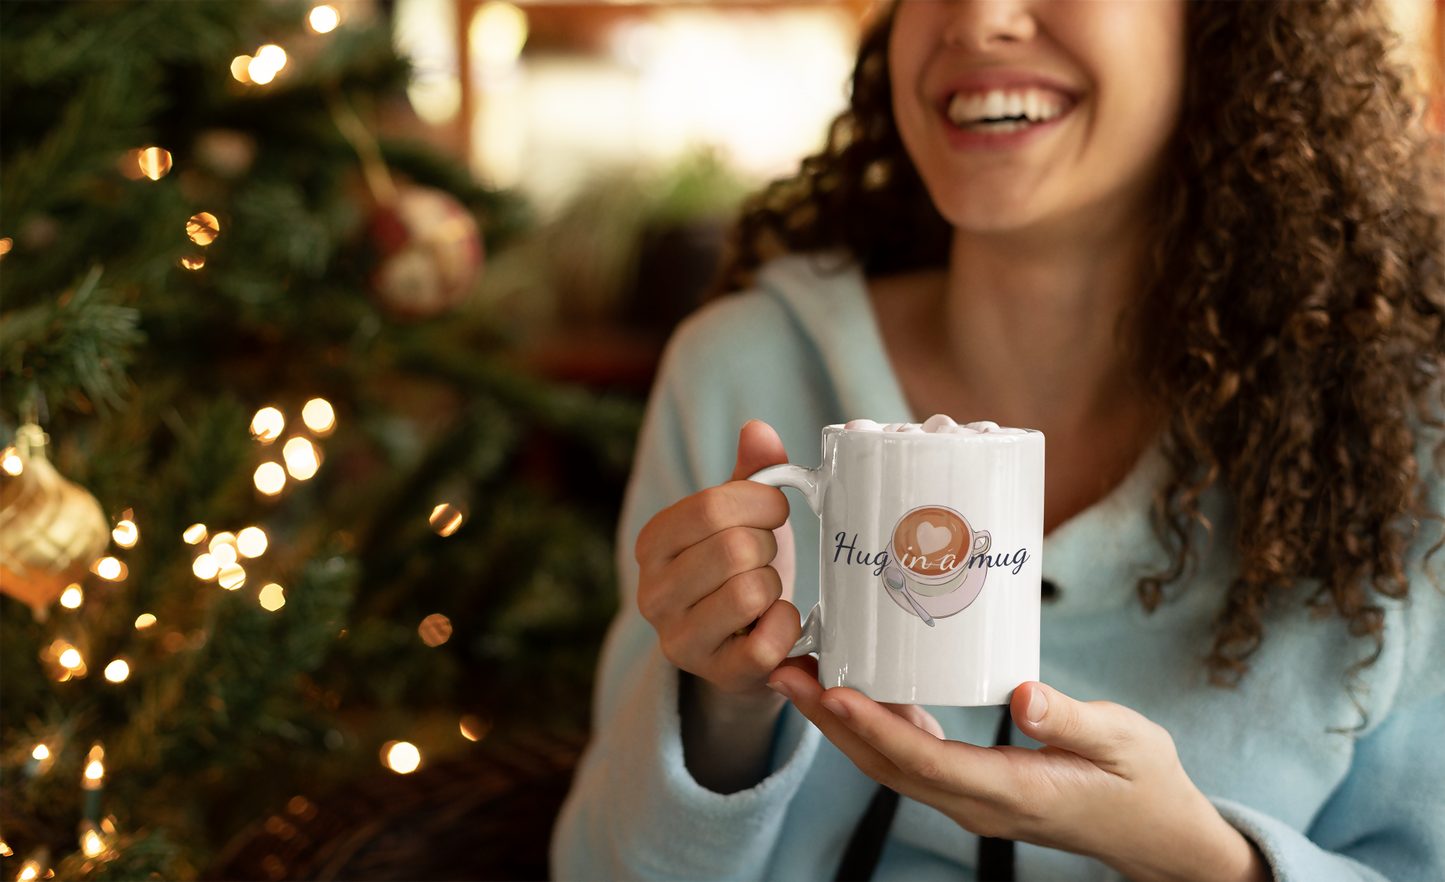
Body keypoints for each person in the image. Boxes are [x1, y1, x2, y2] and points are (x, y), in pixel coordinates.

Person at [552, 2, 1445, 879]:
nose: (977, 19)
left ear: (1223, 26)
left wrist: (1194, 858)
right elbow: (595, 868)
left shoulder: (1400, 438)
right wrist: (721, 708)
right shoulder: (741, 369)